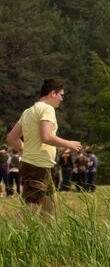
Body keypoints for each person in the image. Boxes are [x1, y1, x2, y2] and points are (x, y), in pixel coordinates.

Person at [6, 78, 83, 216]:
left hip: (37, 165)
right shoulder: (47, 109)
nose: (62, 99)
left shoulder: (29, 111)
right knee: (31, 208)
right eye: (61, 95)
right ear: (53, 93)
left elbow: (11, 138)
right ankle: (14, 236)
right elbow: (46, 137)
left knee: (50, 206)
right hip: (38, 166)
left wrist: (26, 150)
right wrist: (69, 144)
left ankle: (48, 236)